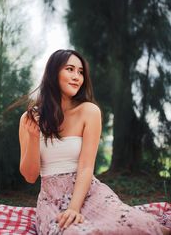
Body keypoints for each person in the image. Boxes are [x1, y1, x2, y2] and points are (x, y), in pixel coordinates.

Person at [19, 49, 170, 235]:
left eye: (80, 72)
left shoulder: (89, 111)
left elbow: (85, 168)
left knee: (139, 226)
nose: (77, 77)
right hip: (52, 199)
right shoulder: (29, 118)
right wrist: (34, 138)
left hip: (89, 192)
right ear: (53, 72)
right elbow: (30, 176)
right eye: (70, 69)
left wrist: (74, 208)